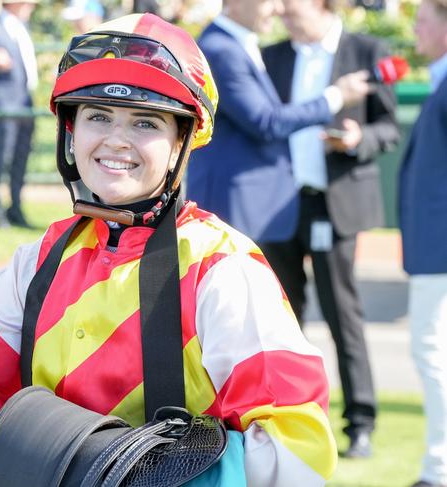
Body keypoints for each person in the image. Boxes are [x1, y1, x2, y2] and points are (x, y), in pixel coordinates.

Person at [0, 13, 338, 486]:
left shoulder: (222, 269)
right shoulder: (39, 263)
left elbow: (296, 450)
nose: (116, 139)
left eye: (144, 122)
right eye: (98, 116)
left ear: (183, 141)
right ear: (70, 132)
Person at [260, 0, 400, 458]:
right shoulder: (272, 56)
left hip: (335, 206)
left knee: (343, 317)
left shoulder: (367, 50)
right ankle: (281, 420)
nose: (281, 10)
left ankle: (360, 424)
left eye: (291, 4)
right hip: (278, 206)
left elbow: (389, 129)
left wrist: (360, 141)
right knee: (278, 319)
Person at [186, 0, 371, 243]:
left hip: (250, 204)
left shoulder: (236, 43)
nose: (278, 8)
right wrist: (335, 97)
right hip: (233, 206)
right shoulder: (221, 49)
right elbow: (266, 122)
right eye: (268, 1)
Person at [398, 1, 447, 485]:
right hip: (434, 248)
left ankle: (438, 468)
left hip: (441, 250)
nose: (416, 29)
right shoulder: (438, 80)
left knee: (430, 350)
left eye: (424, 19)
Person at [0, 0, 38, 228]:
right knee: (1, 156)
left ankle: (15, 206)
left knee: (21, 157)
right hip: (5, 103)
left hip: (24, 101)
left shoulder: (21, 27)